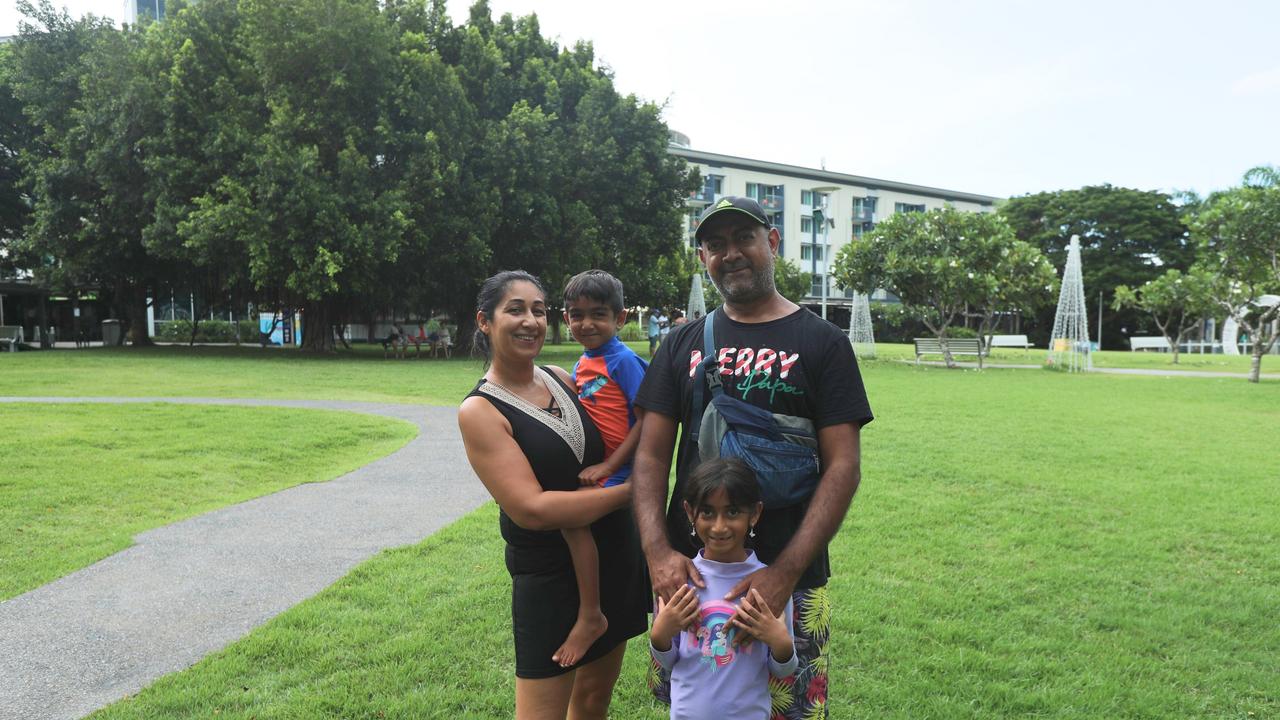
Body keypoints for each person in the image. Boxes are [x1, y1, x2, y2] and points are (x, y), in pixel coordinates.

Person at [632, 196, 874, 718]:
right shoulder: (681, 343)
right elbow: (650, 457)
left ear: (772, 243)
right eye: (715, 244)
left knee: (795, 706)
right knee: (693, 698)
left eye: (744, 238)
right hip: (692, 576)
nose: (731, 253)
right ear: (702, 259)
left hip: (795, 570)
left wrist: (785, 571)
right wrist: (657, 553)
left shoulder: (823, 342)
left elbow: (844, 466)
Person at [457, 270, 649, 719]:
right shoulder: (480, 410)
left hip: (614, 557)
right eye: (516, 309)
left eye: (539, 310)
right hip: (549, 578)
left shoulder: (564, 377)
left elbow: (631, 418)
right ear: (484, 321)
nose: (530, 321)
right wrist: (633, 494)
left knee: (593, 703)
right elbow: (533, 509)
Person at [552, 269, 650, 669]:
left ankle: (591, 614)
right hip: (595, 466)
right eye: (577, 314)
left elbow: (646, 420)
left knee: (572, 519)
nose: (586, 323)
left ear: (620, 318)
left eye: (598, 314)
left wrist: (611, 464)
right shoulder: (583, 362)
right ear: (565, 318)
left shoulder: (624, 361)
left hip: (618, 472)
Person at [650, 458, 797, 720]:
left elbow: (784, 670)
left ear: (754, 513)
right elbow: (668, 660)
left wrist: (780, 641)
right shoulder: (677, 580)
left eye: (732, 512)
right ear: (689, 511)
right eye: (707, 513)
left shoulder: (771, 586)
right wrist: (660, 634)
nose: (719, 526)